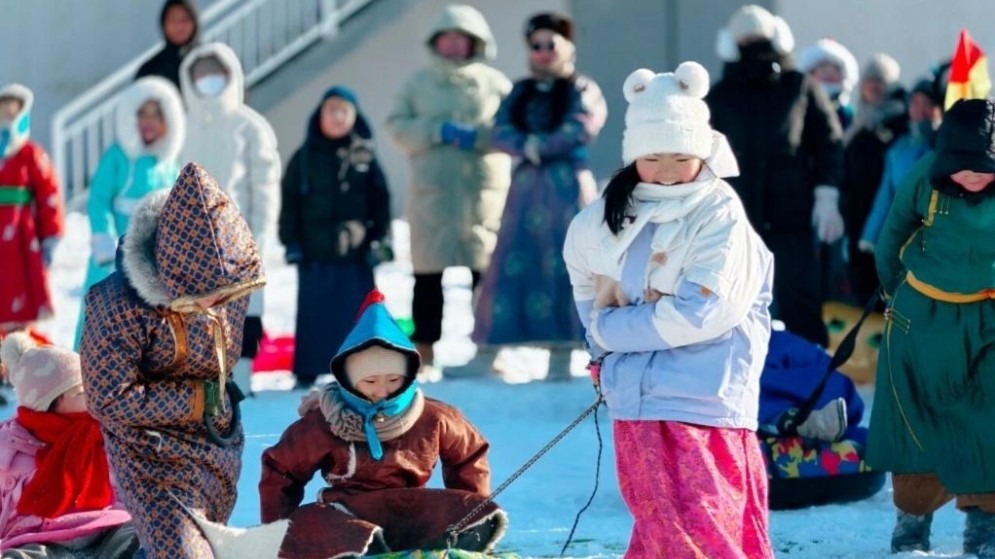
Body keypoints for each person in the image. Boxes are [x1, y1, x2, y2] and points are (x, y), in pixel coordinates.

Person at [563, 62, 775, 558]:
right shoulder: (608, 213)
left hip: (704, 397)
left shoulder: (719, 211)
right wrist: (599, 347)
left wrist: (611, 331)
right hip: (636, 399)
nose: (665, 171)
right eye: (651, 157)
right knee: (658, 519)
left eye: (679, 156)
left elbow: (703, 311)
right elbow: (583, 279)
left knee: (706, 519)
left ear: (700, 150)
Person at [79, 163, 264, 558]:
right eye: (209, 295)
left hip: (215, 446)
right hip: (150, 454)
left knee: (207, 546)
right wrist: (194, 400)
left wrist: (218, 408)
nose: (219, 305)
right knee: (182, 550)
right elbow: (106, 396)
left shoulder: (225, 290)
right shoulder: (116, 306)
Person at [259, 289, 506, 558]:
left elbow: (470, 453)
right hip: (346, 513)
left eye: (393, 380)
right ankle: (361, 550)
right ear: (350, 380)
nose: (382, 390)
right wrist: (276, 530)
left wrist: (465, 506)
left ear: (409, 374)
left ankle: (440, 544)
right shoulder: (326, 419)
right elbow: (281, 468)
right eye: (370, 381)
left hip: (414, 510)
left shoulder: (433, 415)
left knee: (477, 510)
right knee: (306, 523)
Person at [867, 98, 995, 557]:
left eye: (985, 166)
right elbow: (892, 235)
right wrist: (893, 293)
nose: (974, 175)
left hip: (988, 321)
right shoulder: (925, 177)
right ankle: (911, 525)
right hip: (921, 320)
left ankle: (984, 528)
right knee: (916, 425)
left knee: (989, 420)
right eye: (963, 167)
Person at [468, 12, 606, 381]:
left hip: (566, 189)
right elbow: (499, 129)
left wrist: (537, 146)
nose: (544, 53)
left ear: (566, 47)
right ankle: (489, 350)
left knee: (565, 264)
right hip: (526, 191)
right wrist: (524, 145)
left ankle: (562, 352)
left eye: (551, 45)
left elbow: (582, 125)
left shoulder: (581, 88)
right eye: (536, 46)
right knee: (511, 260)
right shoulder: (521, 90)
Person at [385, 3, 511, 377]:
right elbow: (396, 125)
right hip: (433, 195)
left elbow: (512, 129)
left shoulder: (495, 83)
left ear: (477, 43)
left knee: (485, 273)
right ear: (436, 42)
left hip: (481, 193)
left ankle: (489, 348)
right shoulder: (418, 83)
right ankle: (425, 350)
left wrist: (482, 137)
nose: (455, 45)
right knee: (427, 276)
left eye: (463, 39)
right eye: (448, 38)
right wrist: (434, 130)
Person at [708, 5, 844, 347]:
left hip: (792, 216)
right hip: (738, 218)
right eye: (746, 39)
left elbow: (829, 141)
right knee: (736, 302)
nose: (754, 45)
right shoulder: (721, 94)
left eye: (760, 38)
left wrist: (827, 193)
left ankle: (811, 374)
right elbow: (704, 151)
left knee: (800, 299)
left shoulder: (798, 86)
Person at [179, 42, 281, 395]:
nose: (209, 82)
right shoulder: (180, 125)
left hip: (239, 238)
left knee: (243, 309)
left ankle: (244, 376)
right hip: (190, 238)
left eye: (216, 74)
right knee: (195, 310)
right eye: (201, 74)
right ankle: (202, 378)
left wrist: (261, 234)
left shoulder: (250, 126)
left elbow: (264, 184)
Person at [279, 86, 391, 389]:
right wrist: (291, 242)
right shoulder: (303, 158)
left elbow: (381, 202)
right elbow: (289, 204)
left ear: (355, 117)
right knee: (315, 315)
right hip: (314, 253)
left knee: (358, 315)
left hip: (355, 254)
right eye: (331, 110)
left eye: (344, 111)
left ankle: (360, 369)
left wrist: (380, 240)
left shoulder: (365, 156)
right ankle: (308, 370)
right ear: (320, 115)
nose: (337, 117)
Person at [0, 332, 138, 559]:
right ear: (49, 403)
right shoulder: (10, 444)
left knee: (142, 537)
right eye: (81, 392)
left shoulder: (108, 431)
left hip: (107, 531)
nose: (93, 396)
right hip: (40, 541)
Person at [74, 76, 185, 349]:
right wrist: (103, 237)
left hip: (151, 256)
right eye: (142, 114)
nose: (148, 122)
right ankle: (85, 365)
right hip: (114, 252)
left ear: (169, 121)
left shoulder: (169, 164)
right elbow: (99, 199)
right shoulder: (117, 157)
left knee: (149, 315)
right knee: (102, 309)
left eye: (156, 115)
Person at [840, 53, 908, 304]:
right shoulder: (859, 125)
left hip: (890, 220)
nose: (873, 88)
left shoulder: (903, 125)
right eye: (869, 81)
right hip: (859, 221)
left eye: (879, 82)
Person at [0, 84, 63, 334]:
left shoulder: (30, 154)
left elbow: (49, 194)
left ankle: (21, 349)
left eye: (12, 113)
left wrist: (51, 235)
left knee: (19, 287)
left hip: (20, 236)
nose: (7, 118)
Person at [858, 77, 943, 252]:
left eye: (927, 103)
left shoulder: (945, 144)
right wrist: (870, 236)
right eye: (915, 103)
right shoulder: (899, 147)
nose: (920, 110)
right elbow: (885, 195)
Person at [136, 0, 200, 91]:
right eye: (173, 20)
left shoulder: (210, 62)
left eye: (185, 19)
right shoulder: (150, 70)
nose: (179, 26)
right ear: (163, 24)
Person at [798, 38, 860, 131]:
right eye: (823, 67)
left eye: (835, 69)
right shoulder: (799, 111)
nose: (828, 73)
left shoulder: (849, 115)